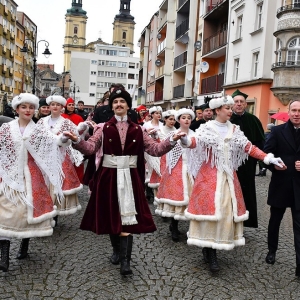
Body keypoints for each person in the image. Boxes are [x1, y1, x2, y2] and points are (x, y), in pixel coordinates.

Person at [63, 88, 183, 276]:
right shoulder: (102, 128)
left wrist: (172, 140)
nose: (119, 104)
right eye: (115, 102)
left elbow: (155, 149)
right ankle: (116, 250)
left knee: (128, 216)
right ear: (112, 106)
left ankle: (126, 262)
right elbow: (90, 148)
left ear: (128, 106)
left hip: (131, 177)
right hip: (108, 176)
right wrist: (77, 140)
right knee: (112, 213)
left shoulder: (138, 129)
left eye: (122, 102)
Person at [183, 95, 284, 273]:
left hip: (229, 179)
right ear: (217, 111)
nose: (231, 110)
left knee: (225, 213)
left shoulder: (235, 129)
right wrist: (183, 139)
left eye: (231, 108)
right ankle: (209, 250)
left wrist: (268, 158)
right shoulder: (206, 128)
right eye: (227, 108)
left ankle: (214, 247)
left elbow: (249, 147)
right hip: (208, 180)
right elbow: (194, 142)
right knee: (210, 213)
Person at [0, 93, 67, 272]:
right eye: (24, 107)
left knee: (28, 210)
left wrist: (64, 139)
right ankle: (3, 256)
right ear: (17, 109)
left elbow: (53, 142)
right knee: (5, 212)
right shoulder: (6, 128)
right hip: (10, 176)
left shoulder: (38, 129)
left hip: (32, 176)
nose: (28, 110)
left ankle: (24, 244)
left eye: (31, 107)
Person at [263, 100, 300, 277]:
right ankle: (272, 250)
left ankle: (299, 264)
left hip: (299, 187)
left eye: (299, 111)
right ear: (289, 111)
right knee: (275, 221)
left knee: (299, 225)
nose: (296, 114)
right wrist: (273, 165)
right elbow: (267, 153)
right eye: (294, 110)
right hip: (281, 183)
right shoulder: (277, 131)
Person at [37, 95, 83, 223]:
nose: (55, 107)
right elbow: (36, 137)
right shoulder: (42, 121)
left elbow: (76, 135)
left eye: (58, 105)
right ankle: (45, 211)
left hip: (60, 157)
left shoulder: (66, 122)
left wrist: (65, 139)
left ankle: (54, 212)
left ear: (62, 107)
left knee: (57, 184)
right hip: (44, 157)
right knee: (44, 184)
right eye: (52, 104)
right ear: (49, 106)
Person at [155, 109, 195, 242]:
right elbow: (165, 151)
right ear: (179, 120)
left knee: (191, 198)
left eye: (189, 117)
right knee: (176, 198)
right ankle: (174, 225)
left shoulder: (196, 135)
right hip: (176, 169)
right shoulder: (173, 134)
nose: (187, 120)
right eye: (184, 117)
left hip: (191, 169)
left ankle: (193, 228)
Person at [230, 89, 265, 228]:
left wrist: (258, 161)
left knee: (247, 191)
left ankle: (246, 222)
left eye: (241, 102)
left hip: (248, 164)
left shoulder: (253, 120)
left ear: (246, 104)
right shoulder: (226, 119)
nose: (238, 104)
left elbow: (261, 143)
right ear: (232, 105)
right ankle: (229, 221)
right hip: (230, 163)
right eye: (236, 102)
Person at [61, 98, 85, 183]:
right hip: (65, 145)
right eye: (69, 105)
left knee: (76, 166)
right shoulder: (62, 117)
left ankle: (77, 182)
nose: (71, 106)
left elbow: (82, 132)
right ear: (66, 106)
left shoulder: (78, 117)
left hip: (75, 145)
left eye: (72, 105)